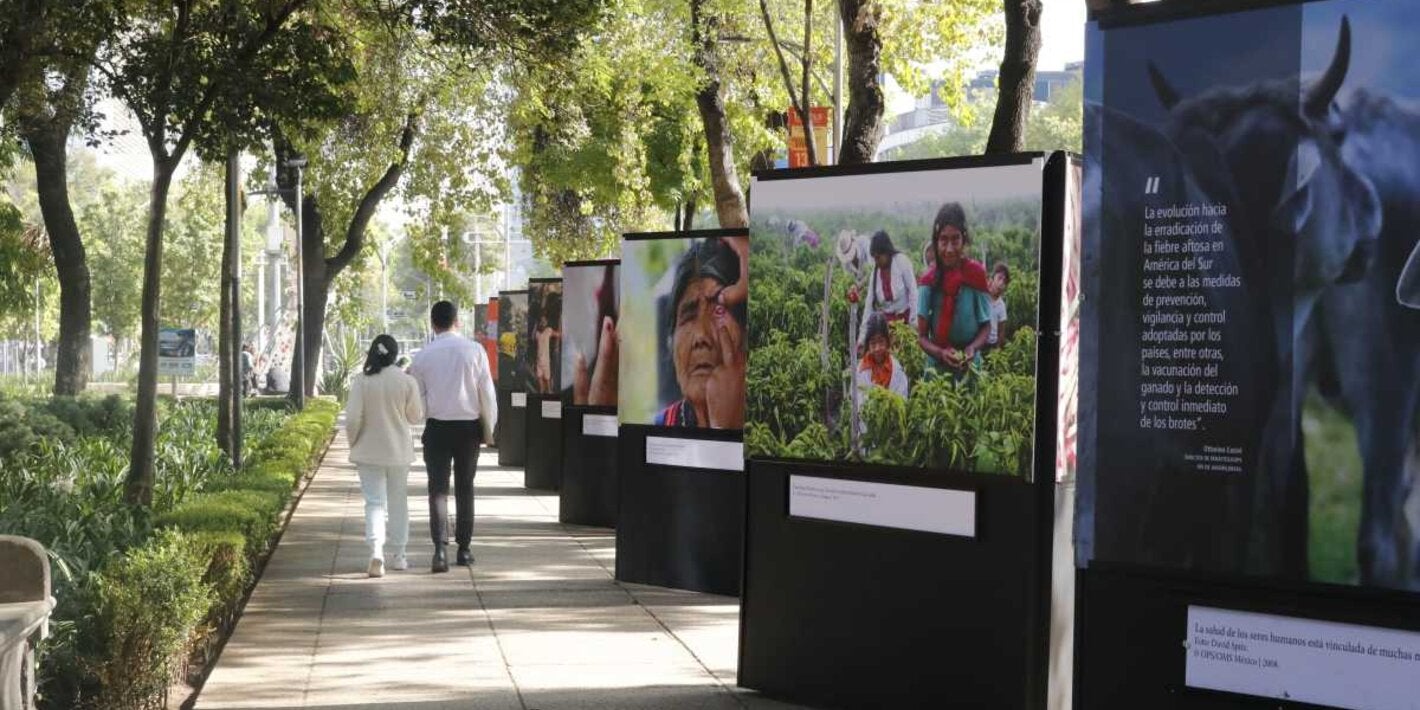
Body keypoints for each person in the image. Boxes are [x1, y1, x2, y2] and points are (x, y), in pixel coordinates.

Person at [408, 301, 498, 572]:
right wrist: (489, 427)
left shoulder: (422, 356)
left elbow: (418, 401)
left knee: (437, 490)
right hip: (468, 429)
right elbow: (487, 394)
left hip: (436, 428)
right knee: (465, 487)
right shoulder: (475, 351)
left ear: (433, 324)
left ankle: (439, 551)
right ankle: (464, 549)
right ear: (457, 321)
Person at [344, 335, 424, 578]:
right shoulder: (407, 381)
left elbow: (352, 418)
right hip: (399, 451)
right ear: (394, 354)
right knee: (398, 501)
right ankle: (399, 555)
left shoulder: (361, 381)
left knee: (374, 502)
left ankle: (376, 551)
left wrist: (353, 441)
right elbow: (415, 417)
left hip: (368, 451)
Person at [654, 235, 747, 429]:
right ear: (671, 343)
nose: (701, 336)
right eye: (688, 317)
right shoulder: (659, 428)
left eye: (719, 311)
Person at [917, 202, 992, 377]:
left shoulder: (975, 275)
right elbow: (921, 337)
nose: (949, 249)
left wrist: (972, 348)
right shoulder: (928, 282)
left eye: (955, 239)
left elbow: (986, 326)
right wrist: (941, 353)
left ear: (963, 240)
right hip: (937, 370)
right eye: (943, 240)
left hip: (970, 366)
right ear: (936, 242)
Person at [856, 230, 918, 351]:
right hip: (887, 327)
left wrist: (914, 321)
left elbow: (913, 292)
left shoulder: (902, 262)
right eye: (874, 258)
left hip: (907, 320)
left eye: (878, 257)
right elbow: (868, 305)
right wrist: (862, 338)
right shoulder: (875, 274)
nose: (876, 262)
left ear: (887, 252)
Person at [856, 312, 910, 399]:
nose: (877, 348)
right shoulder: (861, 370)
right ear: (868, 345)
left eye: (881, 342)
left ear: (887, 342)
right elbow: (857, 398)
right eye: (873, 343)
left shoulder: (896, 369)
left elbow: (902, 398)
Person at [986, 262, 1011, 349]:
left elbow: (1001, 332)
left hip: (991, 345)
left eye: (1004, 281)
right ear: (992, 279)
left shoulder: (1001, 306)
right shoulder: (982, 297)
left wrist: (997, 349)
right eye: (999, 278)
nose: (1001, 283)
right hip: (977, 343)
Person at [533, 314, 559, 394]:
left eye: (544, 321)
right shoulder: (537, 333)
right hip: (538, 363)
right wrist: (535, 325)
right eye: (541, 321)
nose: (542, 322)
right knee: (541, 389)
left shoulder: (548, 330)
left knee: (549, 388)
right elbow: (533, 338)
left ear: (546, 322)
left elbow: (558, 334)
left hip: (546, 363)